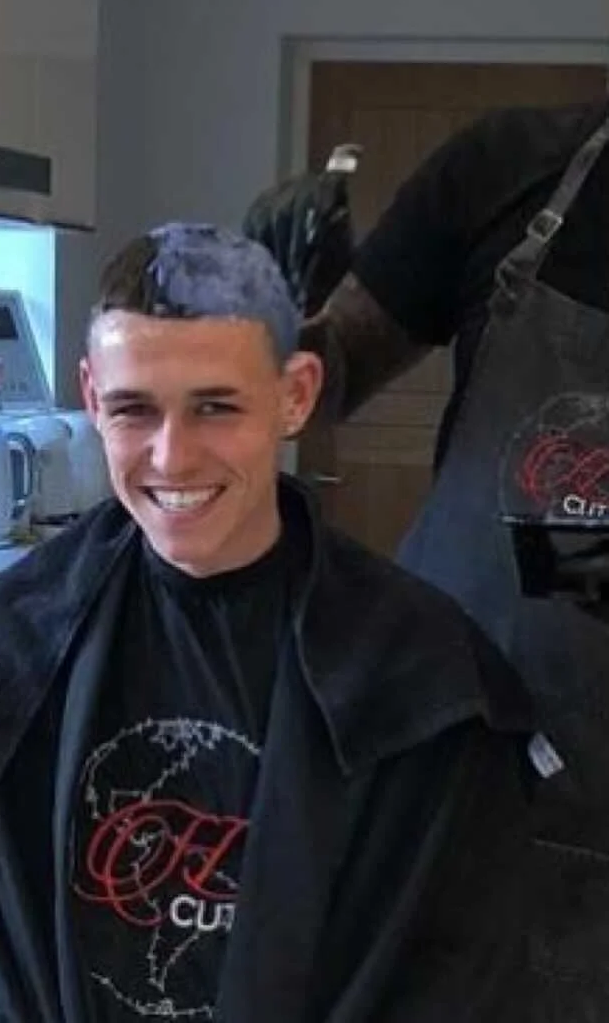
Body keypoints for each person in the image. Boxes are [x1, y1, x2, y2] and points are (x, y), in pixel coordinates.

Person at [0, 222, 536, 1023]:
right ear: (91, 398)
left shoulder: (422, 671)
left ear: (295, 394)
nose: (173, 457)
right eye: (134, 410)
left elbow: (453, 962)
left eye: (216, 407)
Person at [282, 99, 609, 1014]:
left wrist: (555, 557)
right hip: (455, 800)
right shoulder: (510, 167)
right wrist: (271, 325)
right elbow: (323, 380)